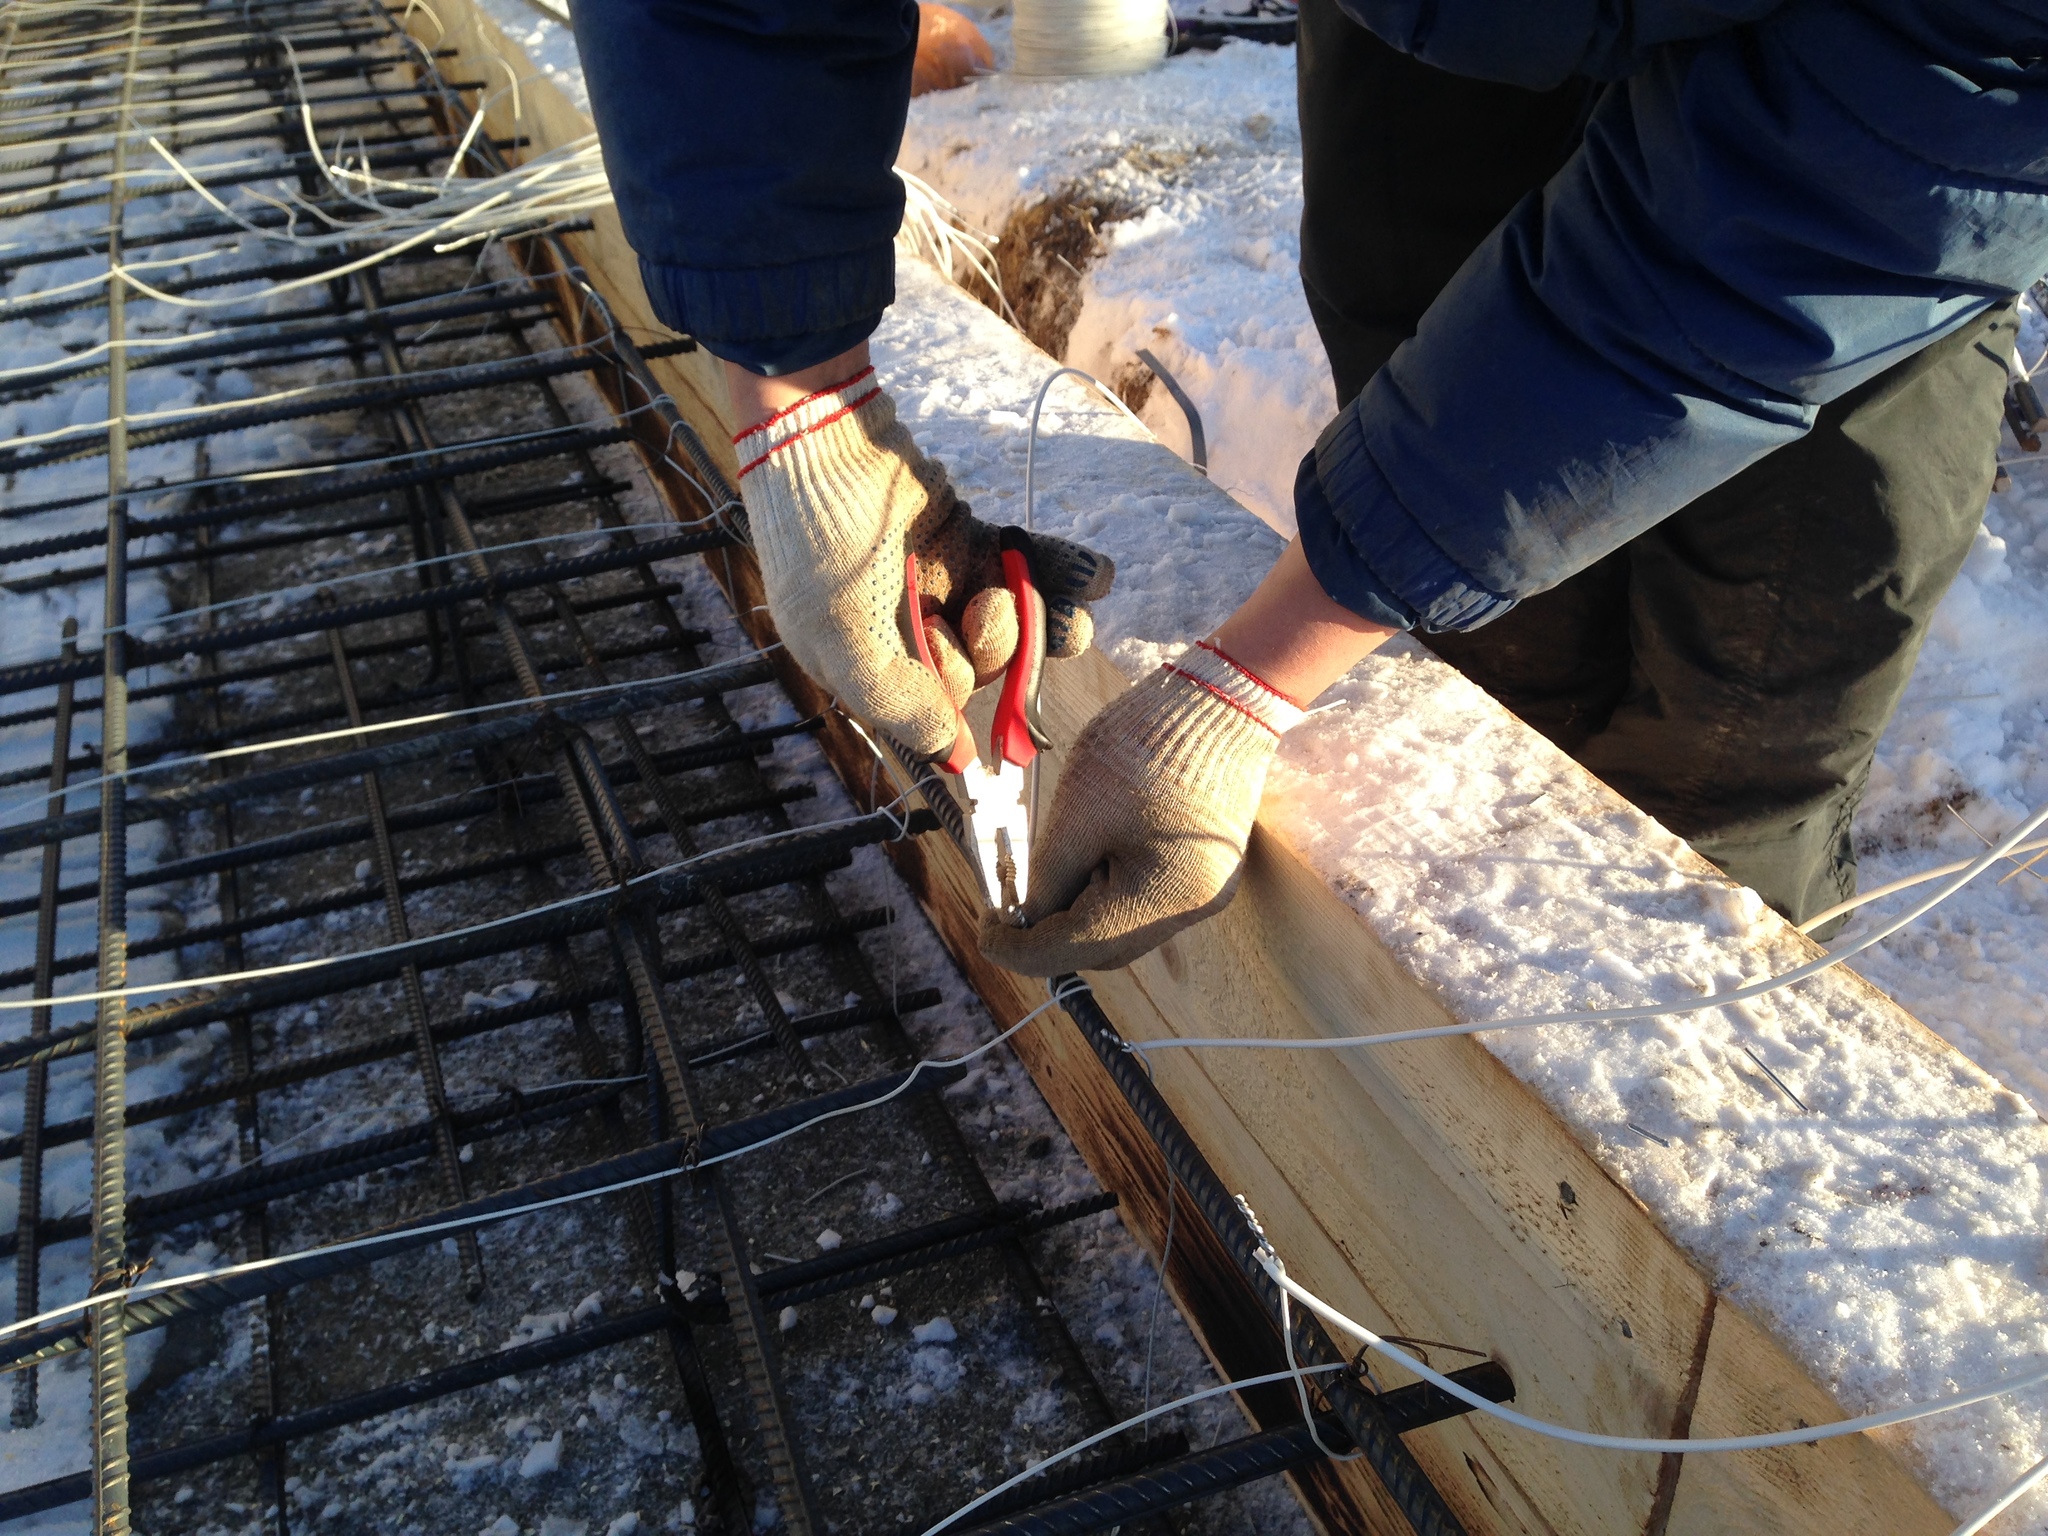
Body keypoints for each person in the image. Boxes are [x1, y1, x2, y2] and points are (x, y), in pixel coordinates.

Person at [571, 0, 2047, 978]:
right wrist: (800, 398)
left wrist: (1248, 684)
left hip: (1890, 101)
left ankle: (1672, 1056)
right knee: (1443, 409)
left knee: (1746, 686)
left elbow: (1823, 224)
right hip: (1448, 29)